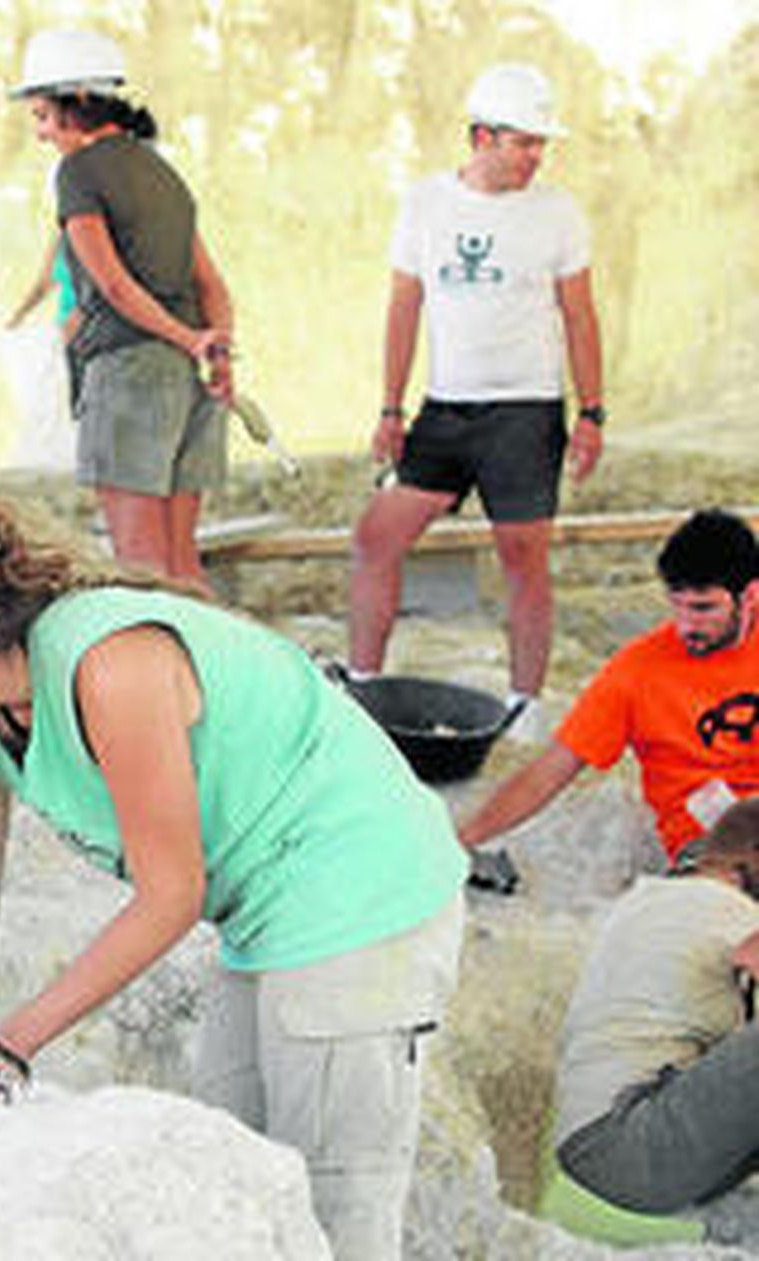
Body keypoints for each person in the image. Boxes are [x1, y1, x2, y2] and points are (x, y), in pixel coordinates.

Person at [0, 476, 467, 1261]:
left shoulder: (110, 664)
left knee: (336, 1206)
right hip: (265, 907)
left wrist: (12, 1044)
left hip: (359, 884)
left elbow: (171, 896)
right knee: (238, 1179)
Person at [348, 63, 606, 720]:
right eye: (524, 141)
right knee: (377, 537)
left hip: (527, 410)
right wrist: (390, 405)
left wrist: (592, 411)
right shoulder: (425, 203)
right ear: (483, 136)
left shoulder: (558, 212)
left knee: (523, 557)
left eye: (541, 143)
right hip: (445, 408)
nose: (536, 156)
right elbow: (403, 307)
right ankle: (362, 685)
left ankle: (524, 705)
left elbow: (580, 315)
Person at [11, 29, 235, 587]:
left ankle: (165, 676)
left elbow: (112, 286)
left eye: (41, 116)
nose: (40, 133)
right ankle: (212, 675)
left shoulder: (79, 173)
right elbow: (212, 284)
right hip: (192, 381)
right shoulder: (163, 171)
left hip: (131, 373)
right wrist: (215, 349)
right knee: (183, 566)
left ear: (75, 104)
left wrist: (190, 341)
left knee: (142, 570)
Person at [459, 509, 759, 867]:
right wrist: (462, 840)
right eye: (676, 606)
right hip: (707, 848)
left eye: (703, 608)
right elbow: (550, 771)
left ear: (750, 595)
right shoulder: (637, 671)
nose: (686, 626)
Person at [537, 796, 759, 1245]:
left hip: (601, 1146)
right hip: (625, 1145)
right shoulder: (727, 910)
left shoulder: (649, 902)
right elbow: (748, 954)